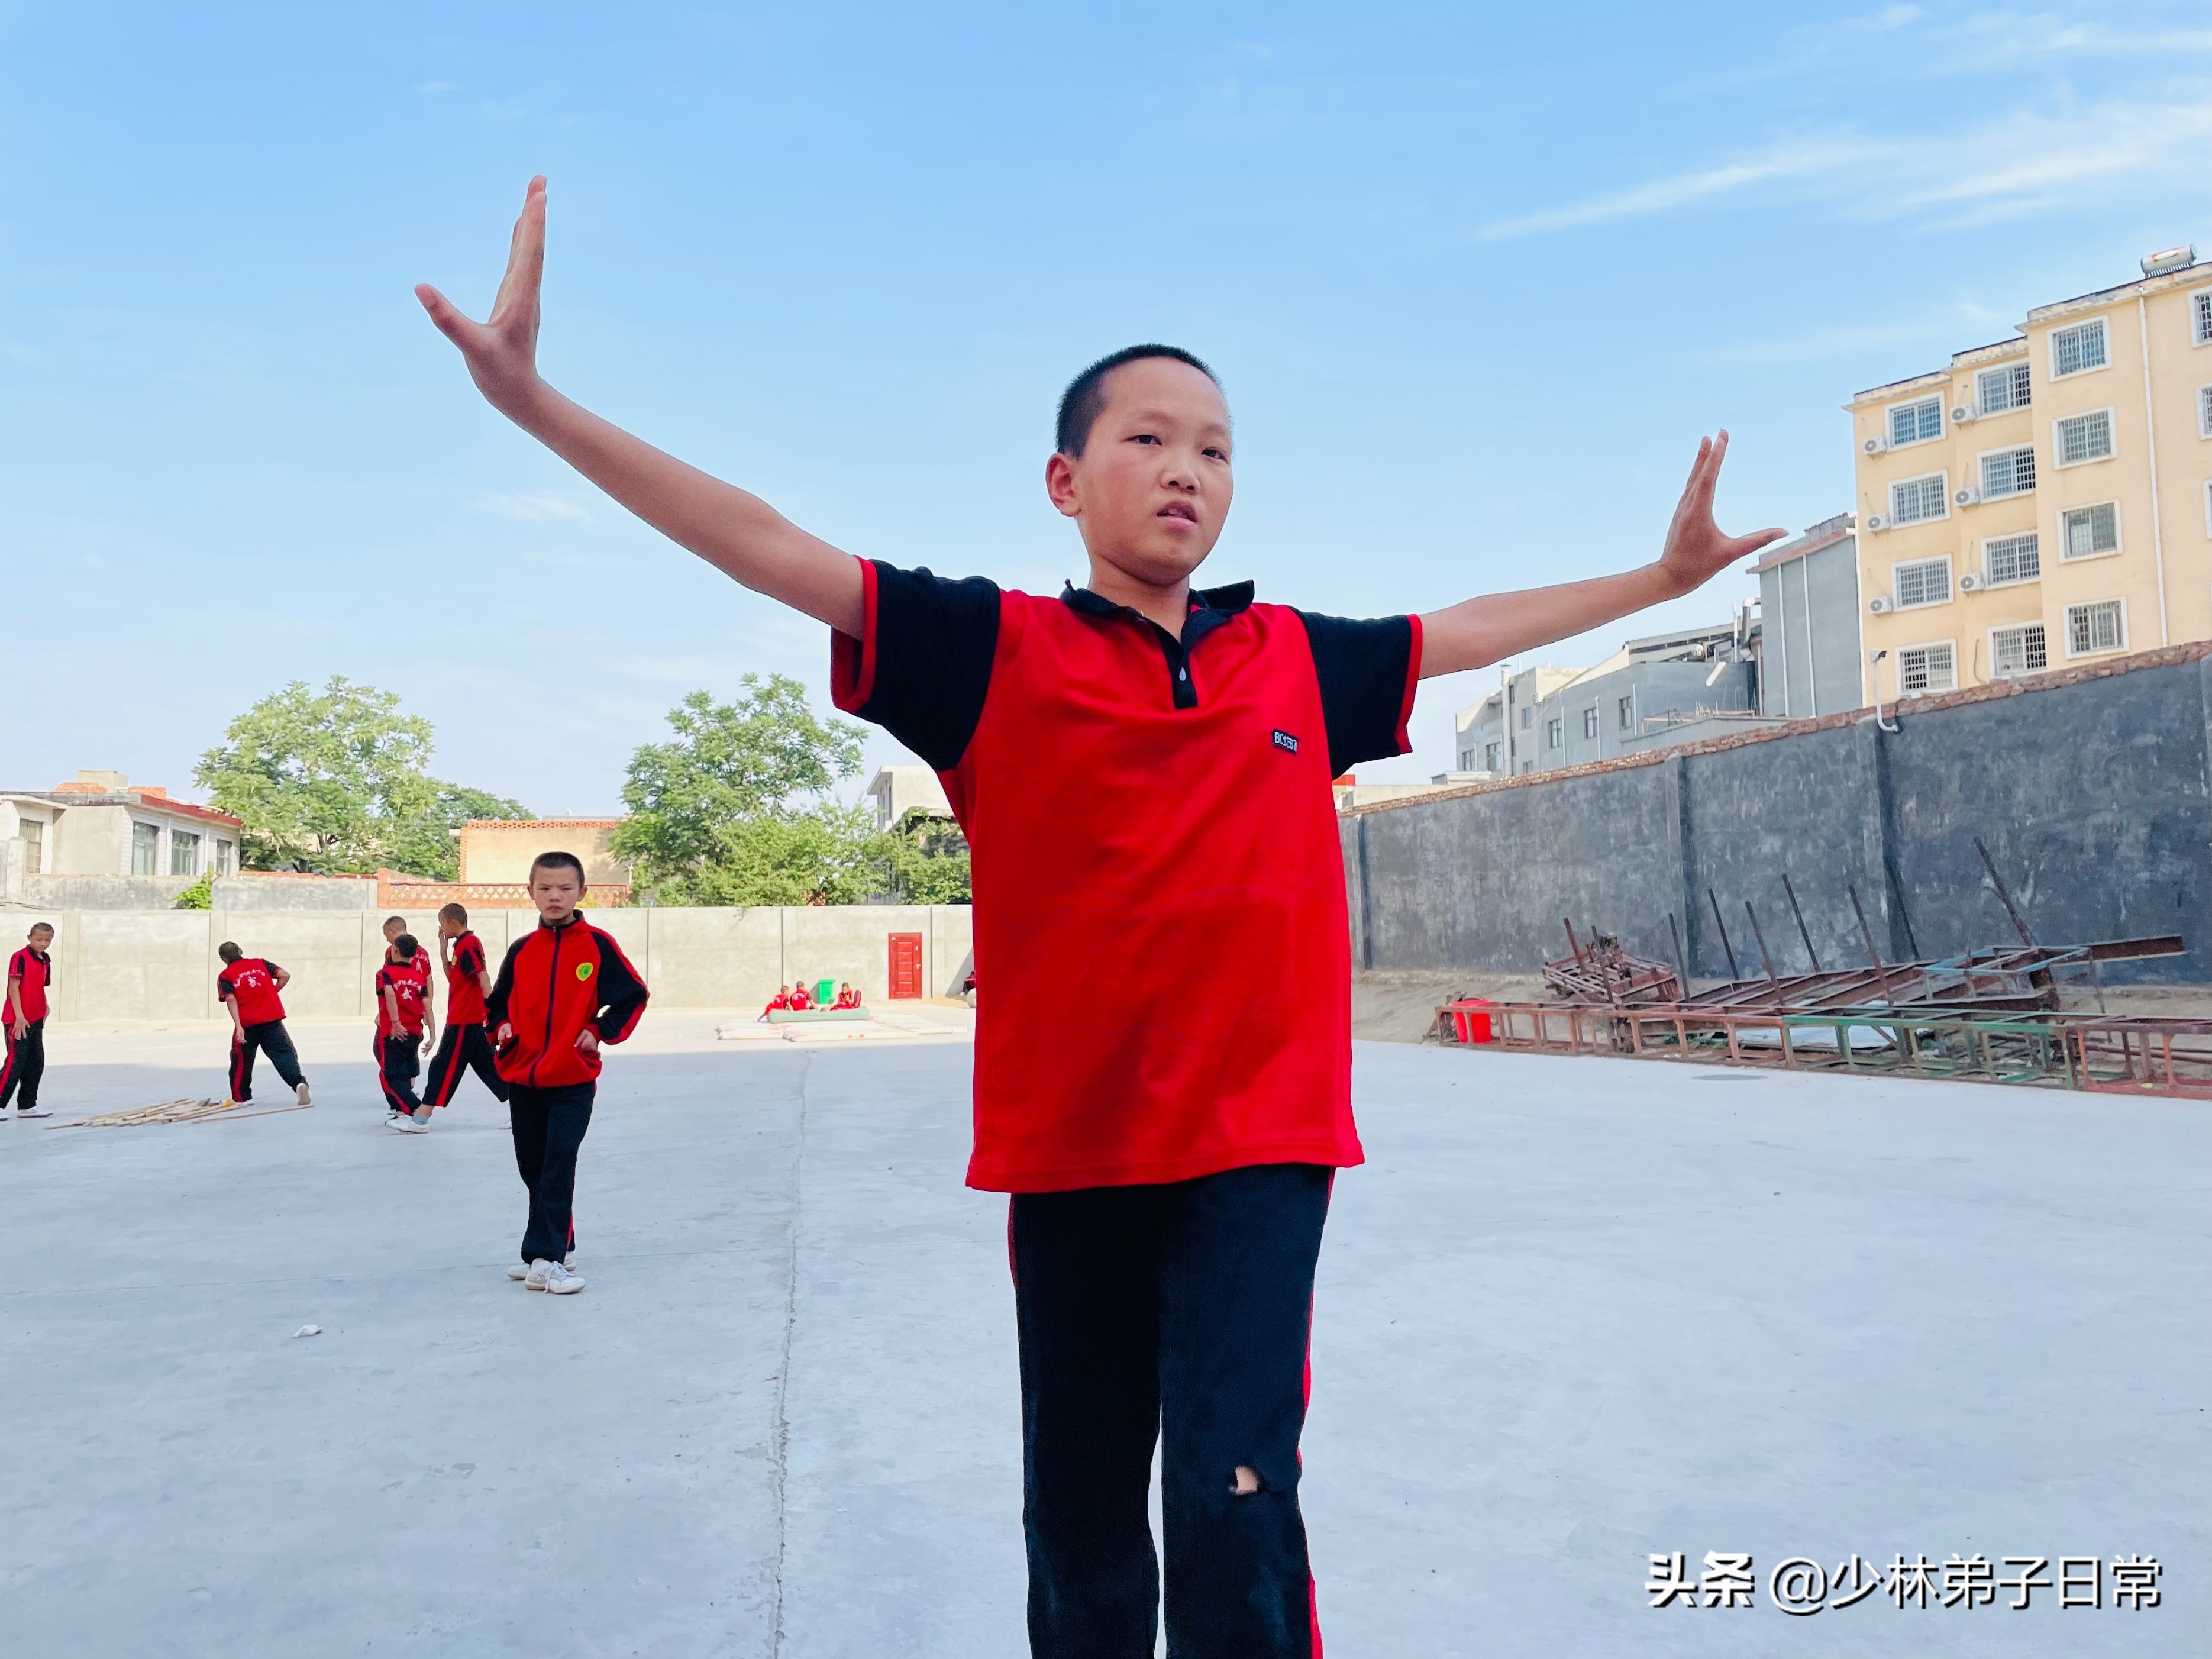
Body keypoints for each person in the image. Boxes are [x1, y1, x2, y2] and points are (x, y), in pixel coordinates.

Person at [419, 179, 1780, 1657]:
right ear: (1065, 481)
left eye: (1214, 449)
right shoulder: (987, 649)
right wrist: (536, 407)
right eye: (1146, 438)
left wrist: (1659, 578)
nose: (1186, 470)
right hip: (1072, 1150)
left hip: (1260, 1148)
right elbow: (763, 540)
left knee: (1237, 1492)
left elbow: (1470, 629)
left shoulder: (1293, 665)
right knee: (1078, 1510)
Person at [485, 851, 648, 1295]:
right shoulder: (522, 950)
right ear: (530, 892)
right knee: (533, 1167)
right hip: (524, 1077)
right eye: (545, 888)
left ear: (581, 893)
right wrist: (500, 1026)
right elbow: (496, 1003)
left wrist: (600, 1030)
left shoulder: (597, 945)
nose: (554, 896)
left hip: (573, 1078)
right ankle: (559, 1243)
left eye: (564, 888)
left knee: (559, 1162)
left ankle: (546, 1260)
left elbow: (633, 995)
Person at [419, 902, 508, 1119]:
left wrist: (493, 1011)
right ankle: (525, 1109)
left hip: (465, 1019)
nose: (441, 929)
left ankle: (422, 1116)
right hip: (466, 1018)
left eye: (442, 924)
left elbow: (483, 977)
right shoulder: (460, 946)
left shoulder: (469, 944)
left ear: (451, 922)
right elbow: (455, 980)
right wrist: (443, 953)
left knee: (443, 1065)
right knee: (490, 1068)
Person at [216, 943, 312, 1108]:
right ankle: (298, 1084)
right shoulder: (261, 964)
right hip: (272, 1020)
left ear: (223, 959)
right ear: (240, 952)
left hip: (247, 1024)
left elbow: (231, 999)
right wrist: (273, 991)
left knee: (242, 1061)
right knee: (284, 1054)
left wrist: (238, 1026)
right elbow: (285, 975)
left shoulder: (225, 976)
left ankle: (241, 1097)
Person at [377, 934, 433, 1131]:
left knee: (391, 1077)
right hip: (415, 1033)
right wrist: (433, 1035)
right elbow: (427, 1005)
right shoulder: (418, 977)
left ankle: (417, 1110)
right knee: (405, 1075)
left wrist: (395, 1022)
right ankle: (408, 1116)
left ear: (395, 950)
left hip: (395, 1033)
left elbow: (390, 994)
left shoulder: (384, 974)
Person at [3, 922, 56, 1119]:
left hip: (36, 1018)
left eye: (47, 940)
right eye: (39, 939)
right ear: (29, 938)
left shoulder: (45, 960)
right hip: (18, 1019)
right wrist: (19, 1016)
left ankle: (27, 1105)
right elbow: (13, 986)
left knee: (36, 1062)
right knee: (15, 1062)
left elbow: (39, 987)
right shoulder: (20, 957)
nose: (43, 943)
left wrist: (46, 1007)